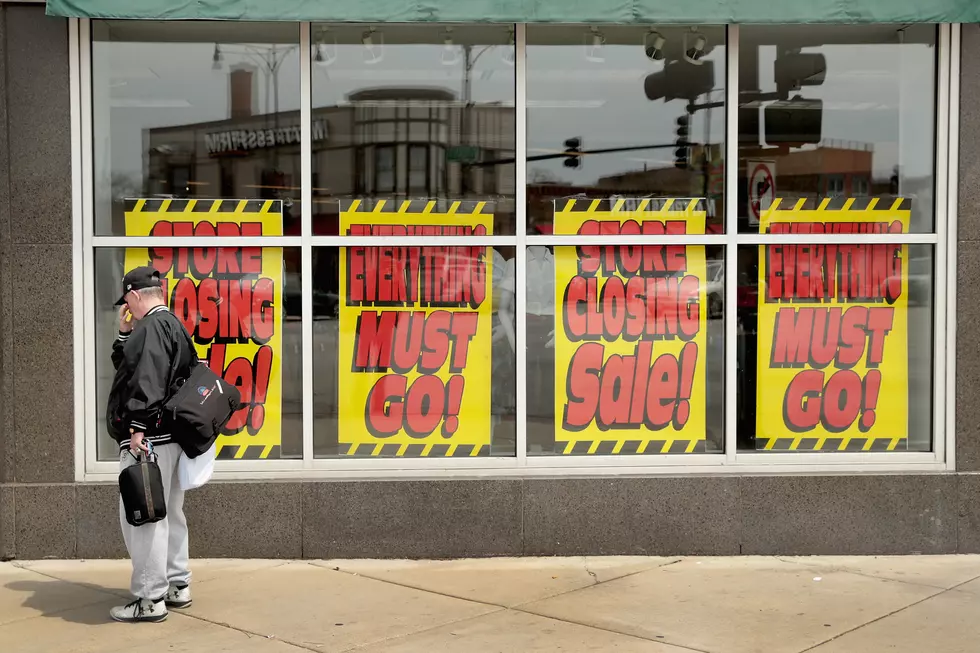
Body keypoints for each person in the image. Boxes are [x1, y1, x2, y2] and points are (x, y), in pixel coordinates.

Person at [106, 266, 195, 623]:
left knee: (143, 520)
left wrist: (137, 428)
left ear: (135, 296)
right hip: (170, 439)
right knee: (170, 513)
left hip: (148, 440)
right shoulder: (171, 324)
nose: (125, 307)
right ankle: (177, 585)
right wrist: (124, 335)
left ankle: (149, 599)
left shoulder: (152, 328)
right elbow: (132, 368)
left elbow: (144, 380)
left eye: (126, 300)